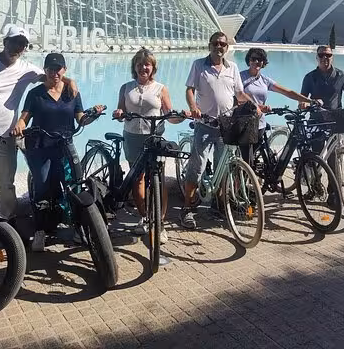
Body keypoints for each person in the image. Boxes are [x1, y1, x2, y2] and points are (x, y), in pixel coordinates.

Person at [0, 26, 76, 222]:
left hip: (7, 137)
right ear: (5, 42)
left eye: (22, 44)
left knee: (7, 184)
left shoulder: (26, 69)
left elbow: (51, 77)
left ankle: (6, 226)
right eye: (14, 41)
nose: (18, 47)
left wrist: (70, 81)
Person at [13, 52, 105, 252]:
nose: (55, 72)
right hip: (41, 147)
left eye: (58, 68)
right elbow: (24, 117)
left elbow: (80, 118)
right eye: (50, 69)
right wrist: (19, 125)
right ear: (45, 70)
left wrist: (93, 115)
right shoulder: (35, 93)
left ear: (65, 70)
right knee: (42, 187)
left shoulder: (72, 92)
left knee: (75, 186)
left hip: (65, 146)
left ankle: (78, 227)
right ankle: (40, 231)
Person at [181, 31, 256, 229]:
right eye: (215, 43)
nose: (219, 47)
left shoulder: (233, 67)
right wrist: (193, 108)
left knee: (224, 167)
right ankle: (188, 209)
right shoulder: (199, 65)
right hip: (205, 124)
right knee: (196, 167)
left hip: (226, 125)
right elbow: (190, 89)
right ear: (210, 45)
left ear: (227, 47)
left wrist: (254, 106)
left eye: (222, 44)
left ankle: (219, 204)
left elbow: (239, 94)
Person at [112, 48, 185, 244]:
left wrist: (183, 116)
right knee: (138, 180)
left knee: (159, 179)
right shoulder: (126, 87)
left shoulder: (161, 88)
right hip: (132, 137)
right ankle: (144, 217)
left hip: (154, 139)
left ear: (153, 67)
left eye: (147, 64)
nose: (143, 67)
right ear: (134, 67)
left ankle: (160, 224)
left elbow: (170, 116)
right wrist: (118, 113)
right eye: (139, 64)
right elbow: (120, 111)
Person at [299, 45, 344, 206]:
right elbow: (301, 100)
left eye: (328, 55)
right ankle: (314, 187)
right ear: (317, 57)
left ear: (332, 57)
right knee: (315, 157)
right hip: (316, 121)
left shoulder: (341, 75)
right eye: (321, 55)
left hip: (336, 121)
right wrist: (308, 104)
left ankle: (334, 193)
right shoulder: (310, 77)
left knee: (334, 159)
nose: (325, 58)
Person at [239, 47, 318, 166]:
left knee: (256, 160)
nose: (257, 62)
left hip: (260, 124)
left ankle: (257, 182)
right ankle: (241, 183)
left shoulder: (264, 80)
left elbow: (287, 92)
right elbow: (237, 98)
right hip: (244, 124)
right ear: (248, 60)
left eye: (260, 59)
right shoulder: (240, 77)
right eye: (254, 59)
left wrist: (309, 100)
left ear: (264, 62)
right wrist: (258, 106)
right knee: (246, 162)